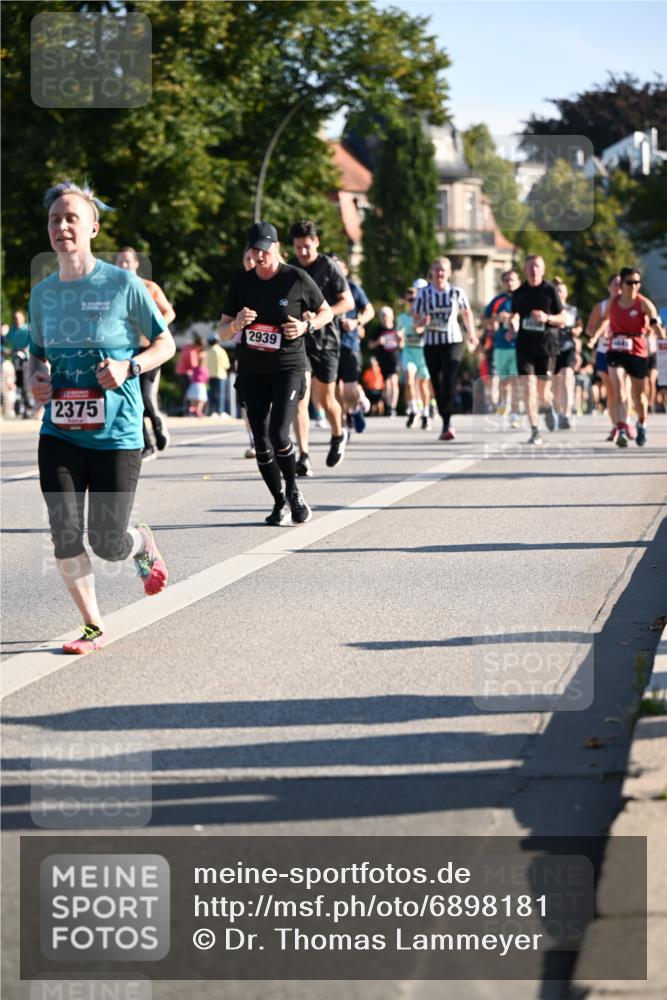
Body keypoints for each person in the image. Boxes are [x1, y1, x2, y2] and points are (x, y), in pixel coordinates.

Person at [27, 181, 175, 654]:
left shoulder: (124, 285)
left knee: (108, 542)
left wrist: (130, 366)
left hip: (117, 433)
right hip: (60, 432)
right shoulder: (43, 294)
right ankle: (93, 625)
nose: (62, 226)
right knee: (64, 532)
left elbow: (165, 343)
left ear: (92, 226)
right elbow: (36, 355)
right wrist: (36, 379)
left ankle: (140, 543)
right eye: (55, 219)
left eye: (72, 218)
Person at [219, 221, 333, 525]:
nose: (259, 256)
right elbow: (222, 330)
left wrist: (306, 326)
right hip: (253, 371)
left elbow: (326, 312)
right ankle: (278, 500)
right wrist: (236, 324)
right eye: (254, 250)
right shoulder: (242, 284)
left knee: (279, 433)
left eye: (264, 250)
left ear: (277, 248)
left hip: (288, 367)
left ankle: (294, 491)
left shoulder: (296, 278)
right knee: (260, 440)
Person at [288, 220, 354, 477]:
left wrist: (320, 315)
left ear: (316, 242)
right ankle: (303, 455)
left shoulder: (329, 267)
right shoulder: (290, 269)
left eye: (306, 246)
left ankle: (338, 434)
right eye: (298, 247)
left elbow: (347, 302)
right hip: (299, 341)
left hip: (326, 341)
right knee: (300, 398)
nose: (303, 252)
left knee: (326, 400)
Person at [115, 248, 175, 460]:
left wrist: (154, 328)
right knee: (132, 400)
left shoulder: (149, 287)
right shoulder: (113, 291)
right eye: (120, 262)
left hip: (150, 350)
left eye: (127, 261)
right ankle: (146, 446)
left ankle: (158, 422)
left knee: (147, 397)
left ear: (136, 264)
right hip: (125, 351)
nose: (123, 265)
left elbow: (169, 312)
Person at [413, 256, 478, 441]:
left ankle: (448, 422)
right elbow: (416, 322)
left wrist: (472, 333)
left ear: (449, 273)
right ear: (431, 273)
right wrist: (422, 322)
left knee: (448, 380)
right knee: (436, 382)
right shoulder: (423, 294)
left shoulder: (457, 292)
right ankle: (444, 418)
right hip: (431, 343)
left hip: (453, 341)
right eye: (437, 269)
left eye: (443, 270)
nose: (440, 273)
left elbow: (466, 313)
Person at [509, 255, 566, 445]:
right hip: (524, 347)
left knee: (542, 393)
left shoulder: (550, 290)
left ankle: (549, 406)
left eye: (537, 267)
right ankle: (534, 430)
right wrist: (512, 326)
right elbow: (514, 315)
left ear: (543, 270)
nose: (534, 270)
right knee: (528, 387)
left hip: (546, 347)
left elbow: (563, 318)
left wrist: (546, 318)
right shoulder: (519, 293)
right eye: (530, 267)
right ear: (525, 270)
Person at [606, 266, 663, 447]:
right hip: (616, 350)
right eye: (630, 282)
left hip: (637, 352)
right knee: (619, 390)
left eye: (637, 282)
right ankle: (622, 427)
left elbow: (656, 325)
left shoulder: (644, 303)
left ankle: (642, 423)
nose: (634, 286)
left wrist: (661, 336)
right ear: (622, 284)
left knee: (639, 397)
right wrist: (593, 336)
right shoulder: (613, 303)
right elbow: (603, 320)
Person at [332, 255, 374, 434]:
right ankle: (343, 426)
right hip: (328, 346)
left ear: (346, 270)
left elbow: (370, 311)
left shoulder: (354, 288)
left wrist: (356, 322)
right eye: (332, 267)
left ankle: (355, 408)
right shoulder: (323, 288)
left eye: (339, 267)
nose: (336, 271)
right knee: (334, 391)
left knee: (349, 390)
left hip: (349, 344)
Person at [481, 270, 521, 428]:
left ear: (518, 281)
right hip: (501, 346)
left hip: (518, 345)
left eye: (512, 280)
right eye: (506, 280)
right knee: (504, 381)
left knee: (516, 380)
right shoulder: (498, 300)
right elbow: (484, 320)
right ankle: (505, 402)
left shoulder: (523, 298)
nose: (509, 283)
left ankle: (515, 414)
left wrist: (514, 318)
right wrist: (496, 319)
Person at [586, 274, 622, 441]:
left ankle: (625, 423)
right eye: (615, 284)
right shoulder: (601, 306)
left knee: (623, 390)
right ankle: (616, 426)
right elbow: (589, 329)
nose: (618, 288)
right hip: (604, 351)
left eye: (621, 284)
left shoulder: (629, 305)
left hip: (624, 352)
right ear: (609, 287)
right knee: (611, 391)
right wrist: (598, 334)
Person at [397, 283, 433, 430]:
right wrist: (399, 337)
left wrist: (421, 326)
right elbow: (399, 333)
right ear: (406, 301)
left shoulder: (425, 315)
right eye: (410, 300)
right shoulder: (402, 317)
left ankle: (426, 413)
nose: (412, 303)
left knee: (423, 384)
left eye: (415, 300)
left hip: (423, 353)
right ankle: (413, 410)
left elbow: (423, 330)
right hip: (409, 352)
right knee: (409, 381)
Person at [552, 276, 582, 430]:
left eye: (562, 291)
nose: (560, 294)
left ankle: (567, 414)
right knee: (555, 383)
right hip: (552, 348)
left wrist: (577, 331)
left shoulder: (572, 310)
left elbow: (579, 326)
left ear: (566, 293)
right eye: (557, 291)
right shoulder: (550, 309)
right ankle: (558, 411)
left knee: (567, 378)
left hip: (568, 347)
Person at [368, 306, 404, 416]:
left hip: (395, 359)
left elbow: (402, 346)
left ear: (391, 317)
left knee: (393, 381)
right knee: (387, 384)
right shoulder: (378, 330)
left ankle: (392, 407)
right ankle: (388, 405)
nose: (384, 318)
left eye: (386, 315)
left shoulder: (397, 328)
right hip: (382, 360)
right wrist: (378, 342)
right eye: (382, 316)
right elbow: (370, 345)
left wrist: (400, 340)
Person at [5, 309, 33, 417]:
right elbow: (5, 342)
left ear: (23, 318)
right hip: (15, 359)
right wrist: (8, 350)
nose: (16, 320)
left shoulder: (27, 329)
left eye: (18, 318)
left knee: (26, 384)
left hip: (26, 359)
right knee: (17, 383)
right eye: (15, 318)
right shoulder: (12, 330)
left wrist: (25, 348)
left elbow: (33, 341)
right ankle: (20, 406)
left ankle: (28, 406)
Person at [206, 334, 231, 416]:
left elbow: (204, 365)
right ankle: (220, 411)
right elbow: (227, 365)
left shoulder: (207, 351)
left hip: (209, 375)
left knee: (211, 393)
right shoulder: (221, 351)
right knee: (221, 394)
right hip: (221, 375)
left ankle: (212, 412)